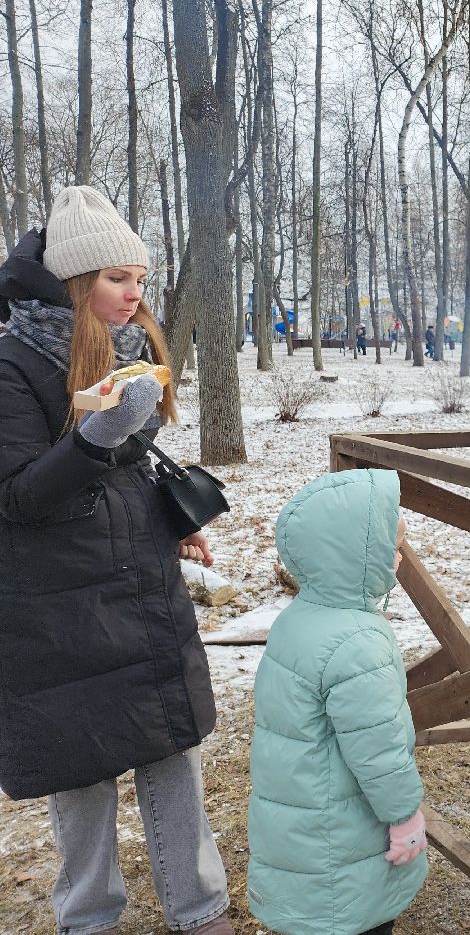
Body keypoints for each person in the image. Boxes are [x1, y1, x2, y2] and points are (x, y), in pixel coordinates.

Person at [0, 186, 232, 935]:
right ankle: (89, 920)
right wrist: (96, 436)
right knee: (83, 774)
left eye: (140, 278)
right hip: (58, 611)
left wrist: (169, 523)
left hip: (140, 590)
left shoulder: (127, 351)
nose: (135, 294)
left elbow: (125, 474)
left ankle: (202, 913)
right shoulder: (11, 363)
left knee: (172, 754)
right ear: (77, 283)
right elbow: (17, 498)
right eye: (117, 278)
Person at [247, 469, 427, 935]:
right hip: (341, 842)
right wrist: (404, 816)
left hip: (300, 824)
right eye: (391, 546)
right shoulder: (357, 642)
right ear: (354, 556)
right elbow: (378, 749)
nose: (399, 557)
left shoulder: (300, 618)